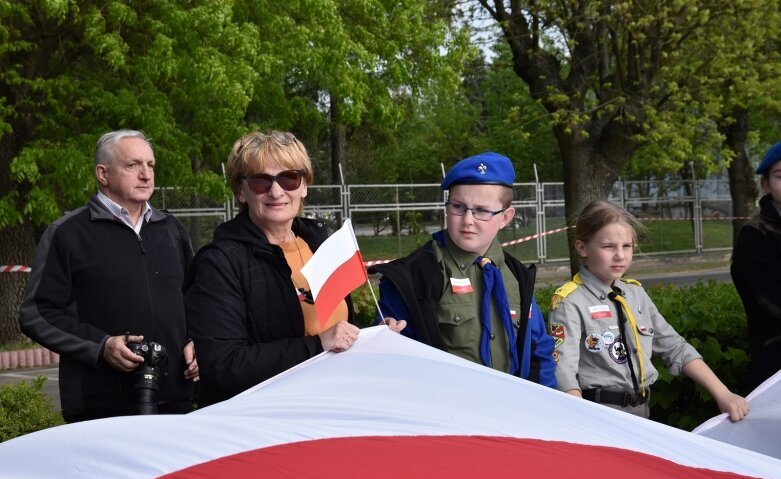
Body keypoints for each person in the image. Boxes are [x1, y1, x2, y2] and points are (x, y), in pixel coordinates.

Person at [184, 130, 404, 407]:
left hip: (334, 400)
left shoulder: (320, 243)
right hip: (270, 417)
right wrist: (316, 345)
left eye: (289, 178)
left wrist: (369, 339)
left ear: (304, 186)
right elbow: (222, 365)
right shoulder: (219, 262)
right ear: (241, 191)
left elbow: (335, 328)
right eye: (260, 182)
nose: (276, 191)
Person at [19, 130, 198, 422]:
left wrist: (196, 341)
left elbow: (195, 300)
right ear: (103, 174)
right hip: (101, 406)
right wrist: (100, 346)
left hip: (175, 400)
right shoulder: (68, 233)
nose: (146, 175)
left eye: (150, 165)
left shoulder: (171, 230)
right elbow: (37, 313)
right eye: (133, 165)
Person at [549, 200, 749, 420]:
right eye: (608, 247)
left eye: (627, 246)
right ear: (582, 247)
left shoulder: (635, 294)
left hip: (642, 414)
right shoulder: (571, 301)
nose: (620, 255)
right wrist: (581, 419)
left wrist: (724, 394)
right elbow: (562, 370)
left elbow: (676, 348)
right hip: (597, 416)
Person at [370, 152, 556, 387]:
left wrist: (543, 405)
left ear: (506, 217)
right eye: (458, 207)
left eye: (482, 211)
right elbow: (393, 344)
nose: (468, 219)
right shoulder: (416, 275)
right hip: (446, 412)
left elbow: (540, 350)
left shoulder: (516, 276)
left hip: (512, 410)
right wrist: (385, 334)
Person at [731, 141, 781, 392]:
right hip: (775, 359)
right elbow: (771, 298)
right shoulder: (755, 234)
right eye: (780, 176)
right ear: (765, 184)